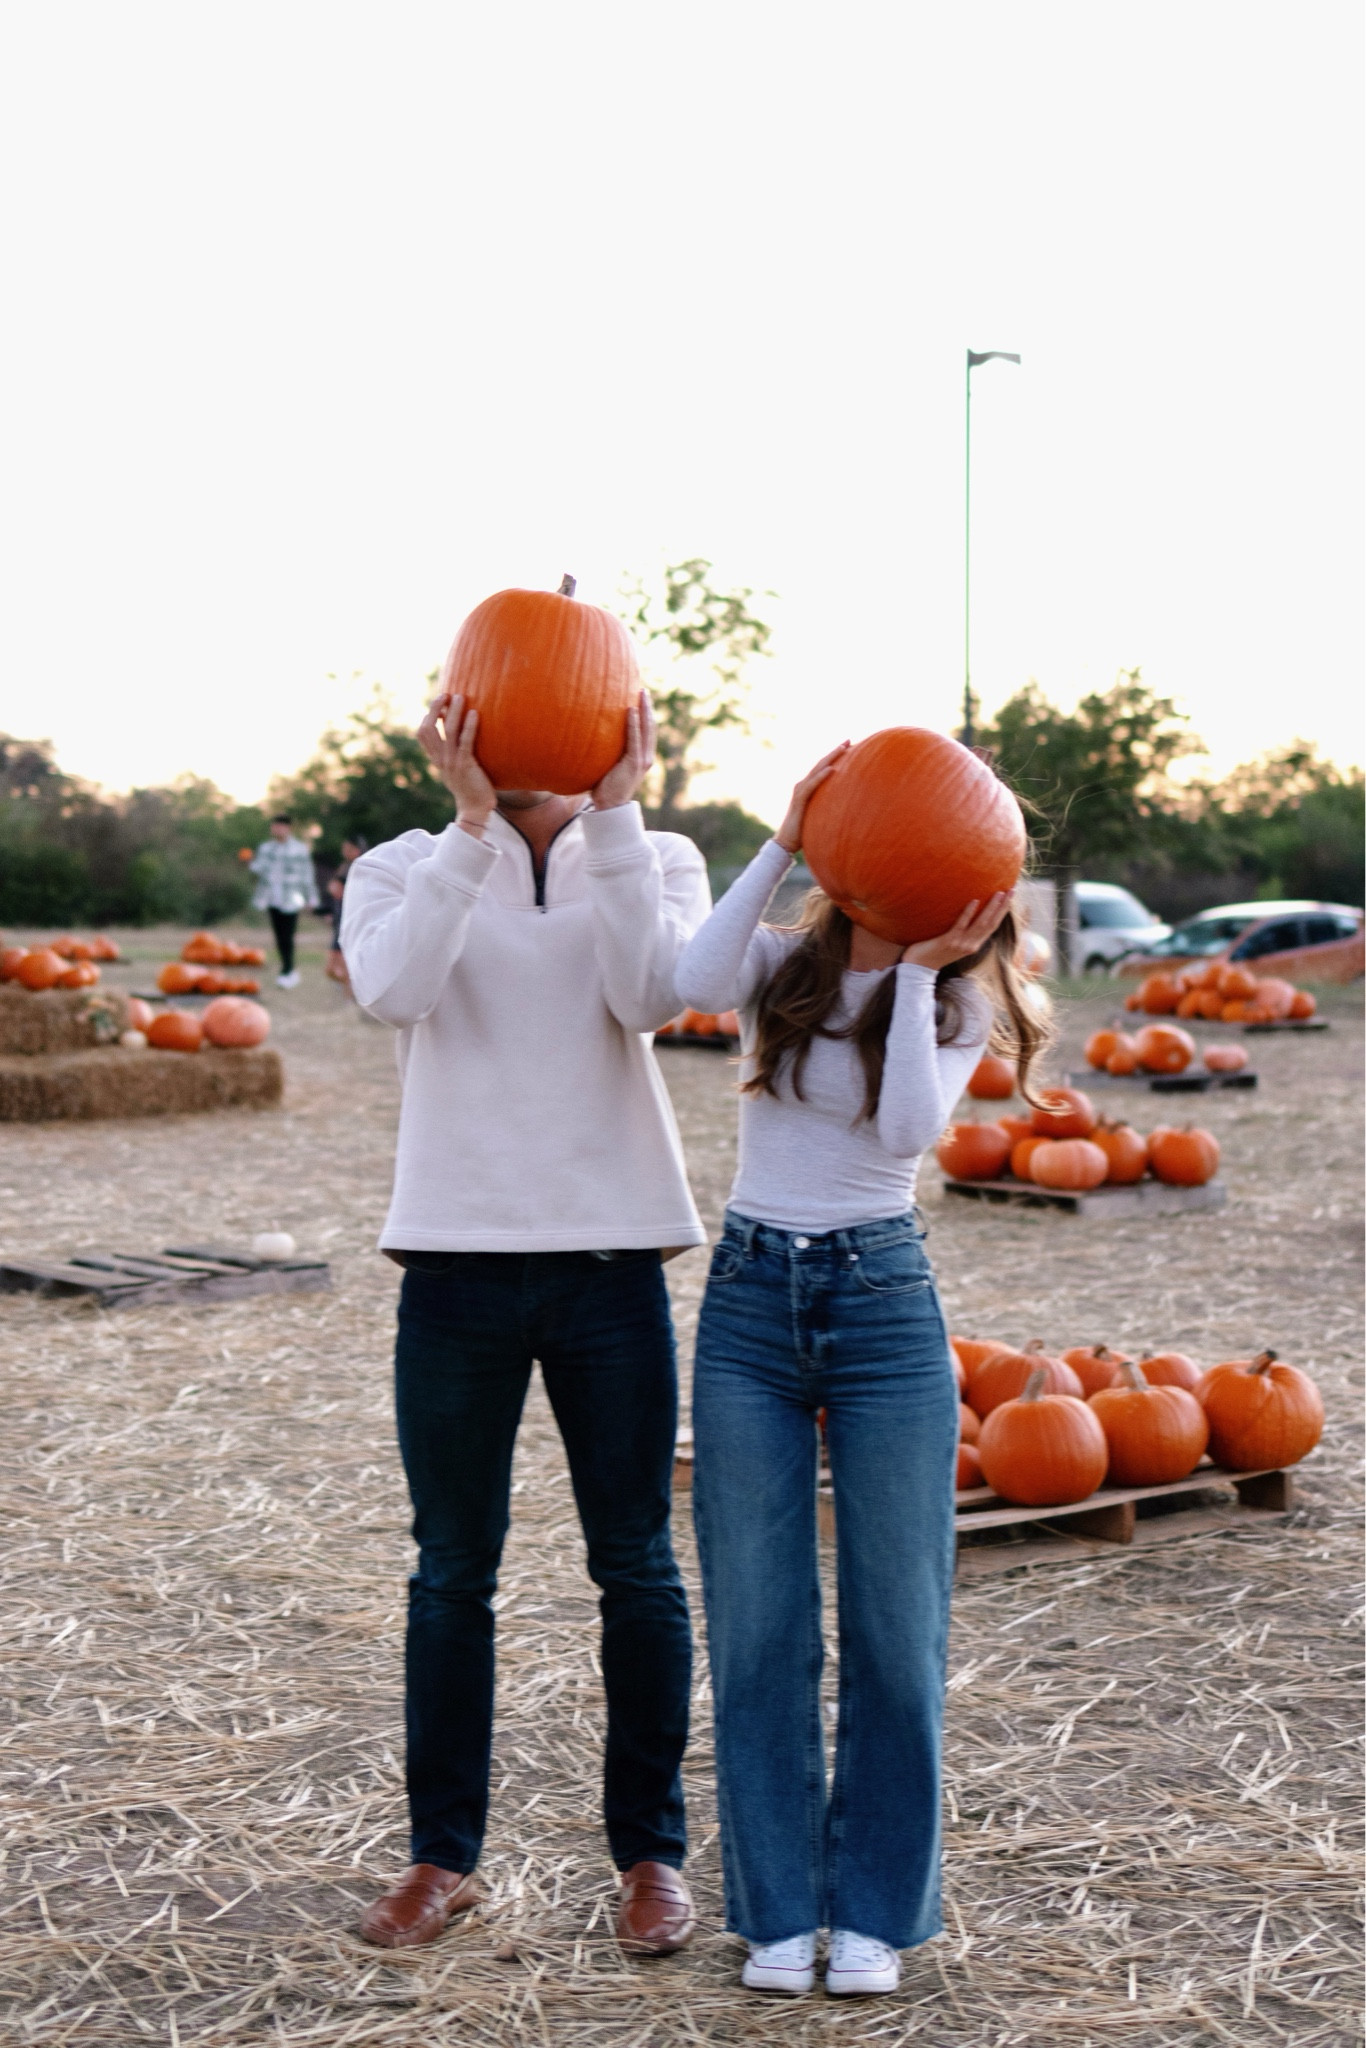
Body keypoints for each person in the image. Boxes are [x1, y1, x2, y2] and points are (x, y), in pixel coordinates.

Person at [340, 687, 710, 1955]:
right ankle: (441, 1855)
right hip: (456, 1262)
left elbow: (650, 994)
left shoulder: (655, 852)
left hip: (610, 1260)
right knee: (452, 1571)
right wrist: (467, 826)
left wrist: (616, 812)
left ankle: (650, 1854)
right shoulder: (403, 861)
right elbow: (394, 991)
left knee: (637, 1566)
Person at [675, 744, 1046, 1999]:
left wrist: (921, 969)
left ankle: (876, 1909)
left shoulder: (957, 1003)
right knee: (758, 1622)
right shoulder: (780, 964)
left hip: (882, 1302)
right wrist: (786, 836)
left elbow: (902, 1132)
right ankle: (780, 1910)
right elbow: (689, 979)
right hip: (748, 1301)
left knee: (896, 1626)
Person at [249, 814, 319, 986]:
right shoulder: (266, 848)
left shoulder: (299, 849)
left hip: (291, 897)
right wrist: (249, 862)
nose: (278, 829)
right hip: (272, 897)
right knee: (279, 935)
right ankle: (287, 968)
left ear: (288, 828)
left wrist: (311, 897)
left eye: (281, 826)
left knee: (288, 935)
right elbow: (259, 868)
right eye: (275, 826)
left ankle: (288, 970)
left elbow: (307, 874)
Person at [325, 834, 367, 984]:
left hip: (350, 921)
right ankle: (351, 987)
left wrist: (337, 889)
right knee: (332, 969)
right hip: (340, 919)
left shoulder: (360, 868)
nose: (344, 851)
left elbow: (342, 890)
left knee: (344, 965)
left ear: (357, 850)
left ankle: (351, 990)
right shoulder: (344, 867)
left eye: (348, 848)